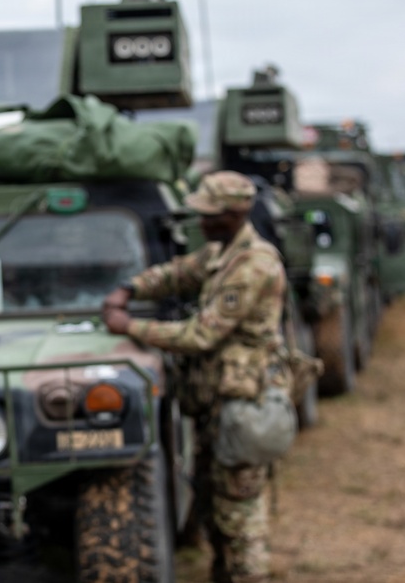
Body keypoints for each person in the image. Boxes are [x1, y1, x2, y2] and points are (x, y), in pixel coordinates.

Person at [102, 170, 287, 583]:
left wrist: (130, 326)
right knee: (212, 505)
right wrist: (130, 288)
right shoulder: (222, 253)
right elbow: (178, 273)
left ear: (235, 214)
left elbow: (200, 335)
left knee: (239, 512)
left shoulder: (253, 265)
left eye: (209, 215)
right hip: (218, 402)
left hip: (244, 405)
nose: (201, 222)